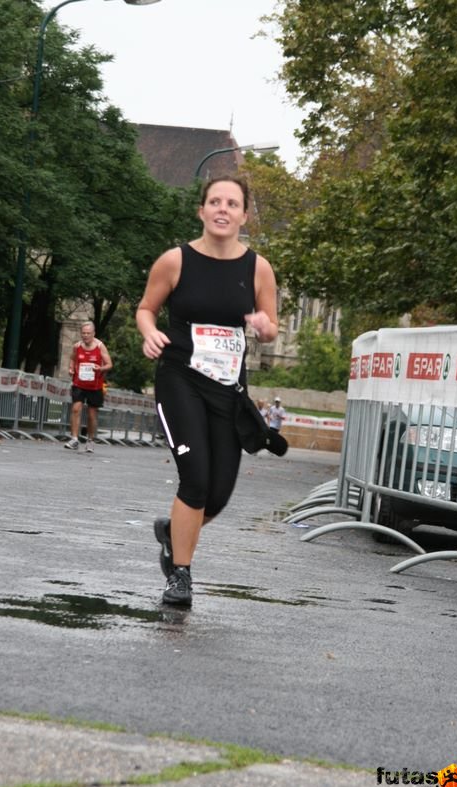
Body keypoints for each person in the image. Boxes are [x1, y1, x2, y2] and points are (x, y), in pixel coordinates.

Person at [136, 174, 278, 607]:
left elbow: (271, 328)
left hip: (227, 390)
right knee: (194, 479)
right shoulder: (175, 261)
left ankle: (171, 532)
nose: (222, 209)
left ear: (243, 215)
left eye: (232, 204)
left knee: (216, 495)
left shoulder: (258, 268)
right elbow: (146, 309)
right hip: (180, 380)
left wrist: (261, 326)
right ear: (201, 210)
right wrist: (149, 333)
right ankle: (180, 574)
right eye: (214, 201)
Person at [64, 321, 112, 453]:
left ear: (93, 333)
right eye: (83, 333)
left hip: (95, 385)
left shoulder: (100, 346)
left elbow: (109, 364)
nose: (85, 336)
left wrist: (100, 368)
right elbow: (73, 359)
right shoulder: (77, 346)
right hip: (79, 383)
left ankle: (90, 440)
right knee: (76, 408)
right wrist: (71, 368)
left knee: (92, 415)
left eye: (88, 333)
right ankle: (74, 439)